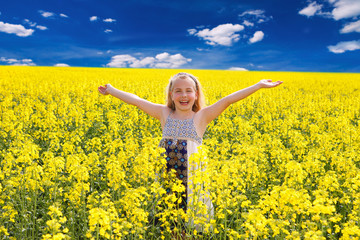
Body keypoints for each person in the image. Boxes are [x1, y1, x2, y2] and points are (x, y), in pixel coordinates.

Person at [98, 72, 282, 233]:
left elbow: (228, 100)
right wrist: (112, 90)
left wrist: (258, 86)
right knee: (167, 216)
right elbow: (137, 101)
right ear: (171, 95)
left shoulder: (202, 116)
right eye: (178, 91)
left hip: (191, 177)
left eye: (188, 90)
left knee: (190, 215)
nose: (183, 95)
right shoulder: (164, 113)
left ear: (196, 94)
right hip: (166, 175)